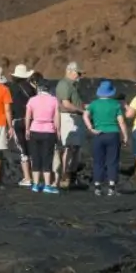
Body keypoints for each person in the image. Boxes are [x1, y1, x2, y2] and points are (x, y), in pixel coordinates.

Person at [83, 80, 128, 196]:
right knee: (112, 161)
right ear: (111, 93)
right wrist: (125, 136)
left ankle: (97, 187)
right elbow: (121, 122)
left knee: (98, 161)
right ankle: (111, 187)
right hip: (113, 134)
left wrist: (90, 128)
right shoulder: (115, 104)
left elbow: (85, 115)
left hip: (99, 134)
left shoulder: (94, 104)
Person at [54, 61, 86, 189]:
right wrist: (82, 111)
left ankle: (72, 177)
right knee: (68, 147)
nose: (79, 76)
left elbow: (76, 104)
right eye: (78, 73)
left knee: (76, 148)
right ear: (70, 71)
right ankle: (65, 176)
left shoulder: (73, 85)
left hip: (75, 117)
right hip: (68, 117)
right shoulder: (64, 84)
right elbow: (66, 104)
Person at [25, 77, 60, 193]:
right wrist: (58, 131)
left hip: (35, 129)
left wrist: (27, 129)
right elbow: (56, 118)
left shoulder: (32, 100)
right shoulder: (54, 100)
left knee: (35, 157)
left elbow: (28, 116)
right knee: (47, 158)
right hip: (49, 131)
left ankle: (35, 184)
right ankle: (47, 185)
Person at [9, 63, 37, 187]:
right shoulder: (32, 89)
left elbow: (9, 107)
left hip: (17, 120)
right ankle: (36, 177)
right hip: (30, 120)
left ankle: (27, 177)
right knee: (32, 148)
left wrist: (9, 124)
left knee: (23, 150)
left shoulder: (11, 88)